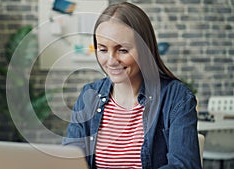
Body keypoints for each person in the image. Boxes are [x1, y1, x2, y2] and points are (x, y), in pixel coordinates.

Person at [62, 2, 201, 169]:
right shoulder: (89, 95)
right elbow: (70, 159)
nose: (111, 61)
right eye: (103, 50)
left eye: (122, 50)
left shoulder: (177, 97)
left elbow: (183, 165)